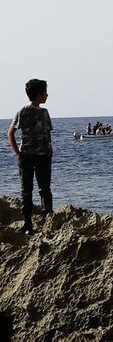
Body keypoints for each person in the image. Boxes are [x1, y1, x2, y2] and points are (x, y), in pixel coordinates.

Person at [7, 78, 53, 235]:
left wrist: (18, 153)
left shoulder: (22, 111)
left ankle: (27, 224)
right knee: (44, 189)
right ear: (39, 95)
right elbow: (47, 134)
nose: (47, 95)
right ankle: (47, 221)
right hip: (43, 156)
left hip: (26, 156)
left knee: (26, 190)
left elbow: (10, 133)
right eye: (45, 92)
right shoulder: (44, 113)